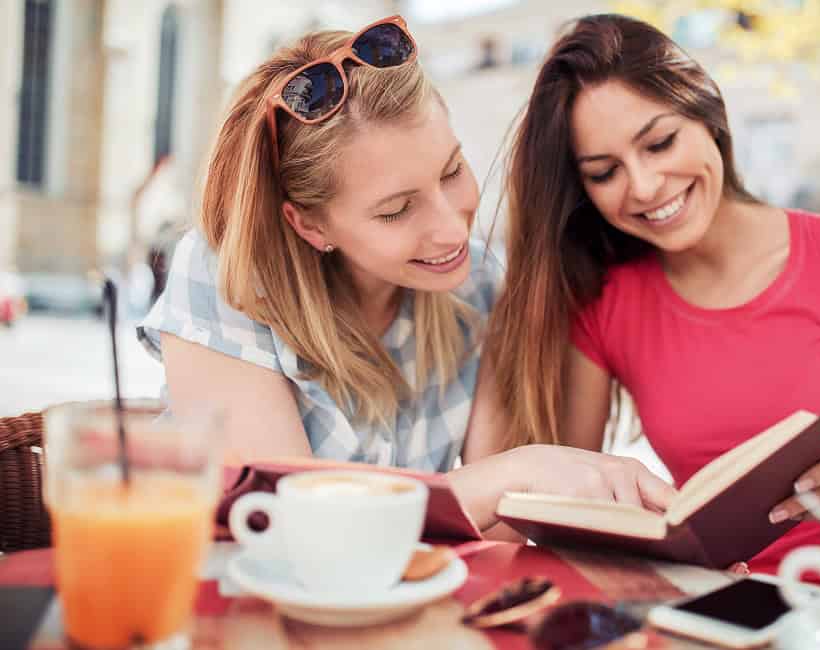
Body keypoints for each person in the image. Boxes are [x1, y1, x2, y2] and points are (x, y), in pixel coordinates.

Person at [136, 16, 674, 537]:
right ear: (308, 223)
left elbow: (497, 539)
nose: (450, 229)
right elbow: (290, 526)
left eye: (452, 171)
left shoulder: (482, 283)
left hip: (403, 611)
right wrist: (512, 472)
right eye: (396, 210)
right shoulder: (224, 281)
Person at [486, 13, 820, 572]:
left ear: (707, 110)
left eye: (660, 143)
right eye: (604, 172)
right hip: (712, 610)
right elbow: (569, 507)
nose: (644, 187)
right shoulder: (605, 305)